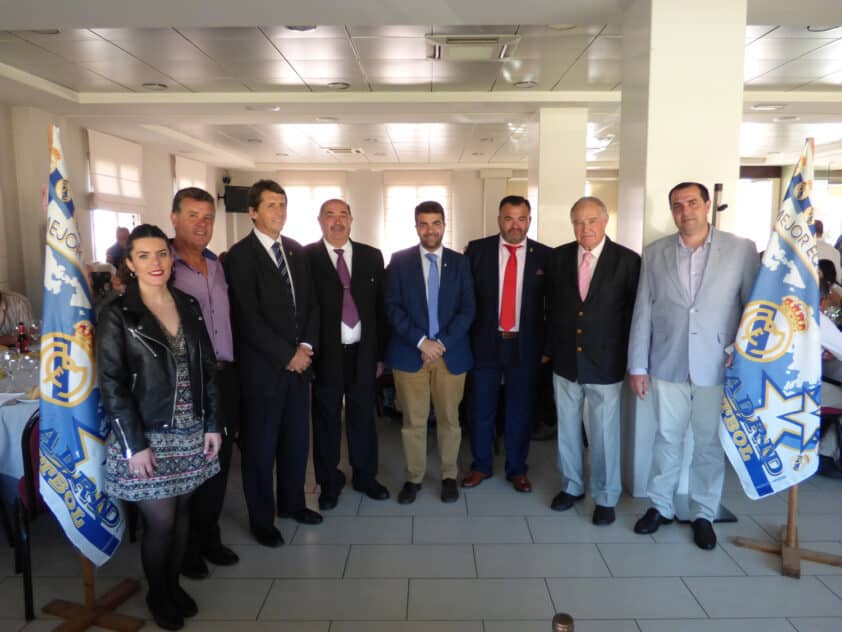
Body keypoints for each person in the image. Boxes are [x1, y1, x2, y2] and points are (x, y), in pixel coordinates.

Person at [97, 224, 222, 631]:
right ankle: (159, 593)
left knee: (183, 510)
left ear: (171, 258)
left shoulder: (187, 302)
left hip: (190, 428)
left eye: (162, 254)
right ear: (130, 263)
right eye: (145, 256)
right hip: (146, 434)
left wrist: (212, 424)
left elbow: (207, 370)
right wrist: (135, 445)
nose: (156, 263)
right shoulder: (118, 313)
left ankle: (172, 584)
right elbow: (112, 383)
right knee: (161, 521)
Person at [627, 181, 758, 550]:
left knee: (707, 443)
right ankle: (660, 506)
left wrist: (742, 351)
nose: (685, 211)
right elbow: (643, 310)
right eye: (677, 205)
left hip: (718, 364)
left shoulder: (740, 250)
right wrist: (637, 364)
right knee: (667, 439)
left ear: (706, 206)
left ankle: (703, 512)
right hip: (666, 361)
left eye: (691, 203)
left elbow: (753, 309)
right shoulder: (655, 253)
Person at [223, 179, 322, 548]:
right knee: (261, 449)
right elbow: (247, 318)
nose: (279, 212)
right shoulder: (240, 256)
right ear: (252, 212)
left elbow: (311, 305)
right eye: (270, 205)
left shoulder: (296, 251)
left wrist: (307, 346)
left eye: (282, 204)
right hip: (262, 372)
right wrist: (288, 354)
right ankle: (262, 520)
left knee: (297, 442)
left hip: (300, 368)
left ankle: (293, 503)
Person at [545, 196, 640, 525]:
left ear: (605, 221)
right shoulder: (557, 259)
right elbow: (548, 309)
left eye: (591, 221)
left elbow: (635, 317)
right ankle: (571, 487)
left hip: (606, 362)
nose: (585, 228)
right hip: (566, 360)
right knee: (567, 430)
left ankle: (605, 496)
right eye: (578, 222)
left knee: (603, 433)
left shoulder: (628, 261)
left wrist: (634, 360)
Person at [168, 187, 240, 578]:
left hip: (224, 377)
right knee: (190, 467)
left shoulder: (216, 263)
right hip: (185, 383)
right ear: (175, 217)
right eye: (193, 215)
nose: (202, 224)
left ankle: (210, 538)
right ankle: (187, 549)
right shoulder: (163, 264)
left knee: (219, 461)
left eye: (208, 217)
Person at [385, 200, 475, 504]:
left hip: (451, 354)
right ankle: (414, 477)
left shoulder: (461, 262)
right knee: (413, 421)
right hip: (411, 354)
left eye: (436, 223)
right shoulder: (399, 261)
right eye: (423, 223)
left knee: (450, 419)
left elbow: (468, 309)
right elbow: (392, 308)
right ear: (416, 227)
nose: (430, 229)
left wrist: (440, 343)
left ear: (444, 226)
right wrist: (422, 342)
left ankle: (449, 475)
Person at [305, 199, 390, 510]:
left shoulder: (371, 256)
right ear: (320, 220)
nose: (337, 221)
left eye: (343, 215)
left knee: (363, 417)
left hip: (364, 352)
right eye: (330, 215)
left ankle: (366, 476)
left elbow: (381, 309)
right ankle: (329, 482)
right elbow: (302, 311)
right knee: (326, 419)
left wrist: (380, 354)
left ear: (352, 220)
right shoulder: (306, 257)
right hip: (326, 355)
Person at [462, 195, 550, 494]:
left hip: (525, 346)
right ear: (499, 219)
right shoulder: (477, 251)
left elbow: (552, 307)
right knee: (480, 408)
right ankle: (481, 466)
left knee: (520, 410)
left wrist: (547, 347)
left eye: (522, 218)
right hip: (485, 342)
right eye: (509, 218)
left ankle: (517, 469)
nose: (515, 224)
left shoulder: (545, 256)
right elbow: (465, 299)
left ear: (529, 220)